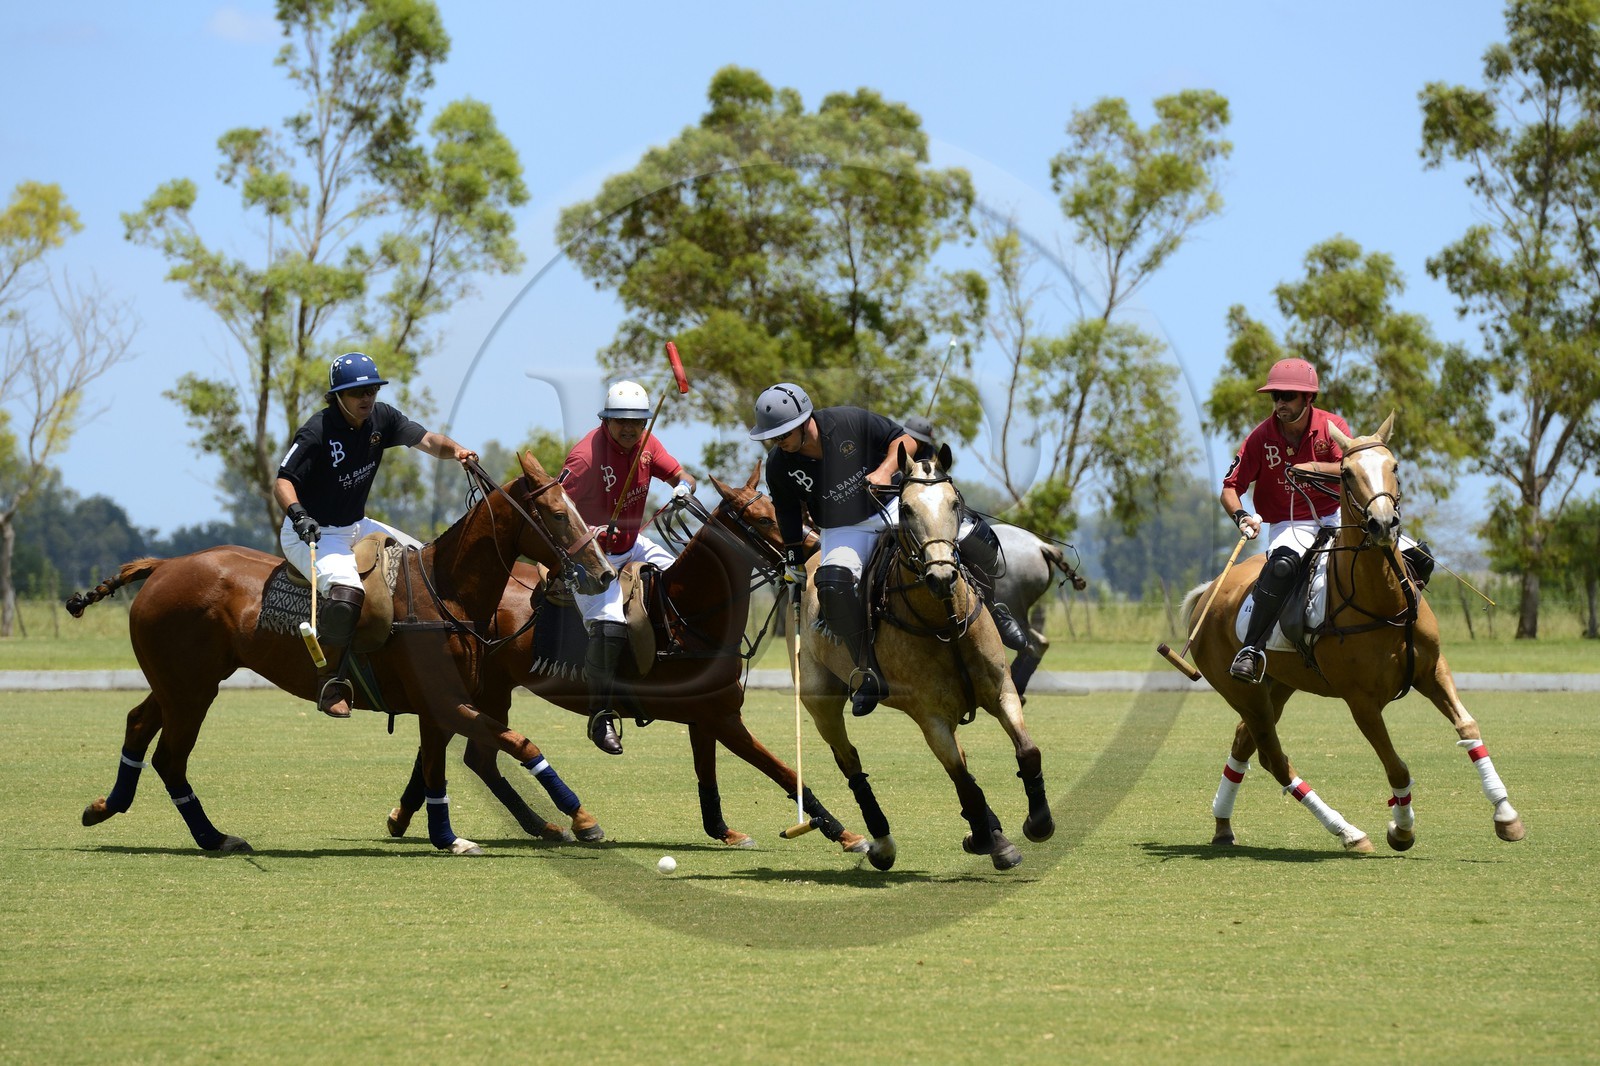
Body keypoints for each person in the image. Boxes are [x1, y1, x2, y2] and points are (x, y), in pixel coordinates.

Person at [276, 352, 478, 718]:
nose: (367, 398)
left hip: (357, 525)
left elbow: (429, 441)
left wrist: (459, 452)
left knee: (426, 563)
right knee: (347, 594)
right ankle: (330, 680)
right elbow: (284, 480)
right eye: (358, 393)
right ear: (337, 395)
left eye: (371, 390)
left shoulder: (382, 418)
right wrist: (298, 514)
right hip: (313, 532)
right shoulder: (316, 431)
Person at [751, 383, 917, 717]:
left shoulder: (848, 421)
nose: (778, 442)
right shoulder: (779, 465)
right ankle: (867, 671)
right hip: (844, 529)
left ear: (803, 421)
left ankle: (993, 614)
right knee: (831, 584)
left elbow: (906, 439)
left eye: (783, 434)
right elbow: (785, 509)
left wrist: (885, 470)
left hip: (893, 507)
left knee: (969, 535)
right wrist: (794, 559)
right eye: (773, 437)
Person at [560, 380, 696, 755]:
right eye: (620, 421)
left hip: (633, 545)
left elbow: (681, 475)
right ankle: (599, 714)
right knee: (609, 624)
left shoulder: (648, 444)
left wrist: (683, 487)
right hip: (590, 559)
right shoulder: (585, 458)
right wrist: (586, 532)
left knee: (685, 580)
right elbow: (551, 512)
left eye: (636, 421)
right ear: (606, 420)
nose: (629, 428)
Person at [1219, 357, 1353, 684]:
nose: (1280, 403)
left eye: (1288, 396)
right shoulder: (1260, 437)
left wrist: (1313, 468)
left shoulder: (1332, 427)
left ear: (1309, 398)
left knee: (1412, 554)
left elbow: (1351, 469)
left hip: (1336, 514)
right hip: (1291, 523)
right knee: (1280, 566)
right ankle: (1251, 649)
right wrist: (1241, 517)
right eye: (1275, 396)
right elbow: (1230, 488)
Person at [900, 413, 1030, 653]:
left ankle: (992, 607)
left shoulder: (934, 456)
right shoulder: (894, 456)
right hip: (904, 517)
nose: (916, 444)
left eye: (918, 440)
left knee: (974, 538)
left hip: (939, 515)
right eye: (912, 439)